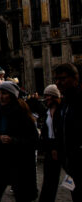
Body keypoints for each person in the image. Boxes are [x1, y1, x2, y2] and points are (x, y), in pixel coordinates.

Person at [0, 81, 38, 202]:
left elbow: (33, 140)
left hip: (17, 161)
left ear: (12, 95)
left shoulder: (22, 112)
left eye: (4, 93)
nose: (0, 97)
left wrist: (13, 140)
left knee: (21, 195)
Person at [53, 63, 82, 202]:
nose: (58, 83)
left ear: (75, 79)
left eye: (62, 79)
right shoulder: (64, 102)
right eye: (56, 80)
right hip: (70, 164)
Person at [39, 84, 62, 202]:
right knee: (49, 178)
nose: (46, 98)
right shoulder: (47, 111)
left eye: (48, 95)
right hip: (49, 146)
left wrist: (56, 147)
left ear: (54, 96)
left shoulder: (61, 110)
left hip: (60, 147)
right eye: (45, 95)